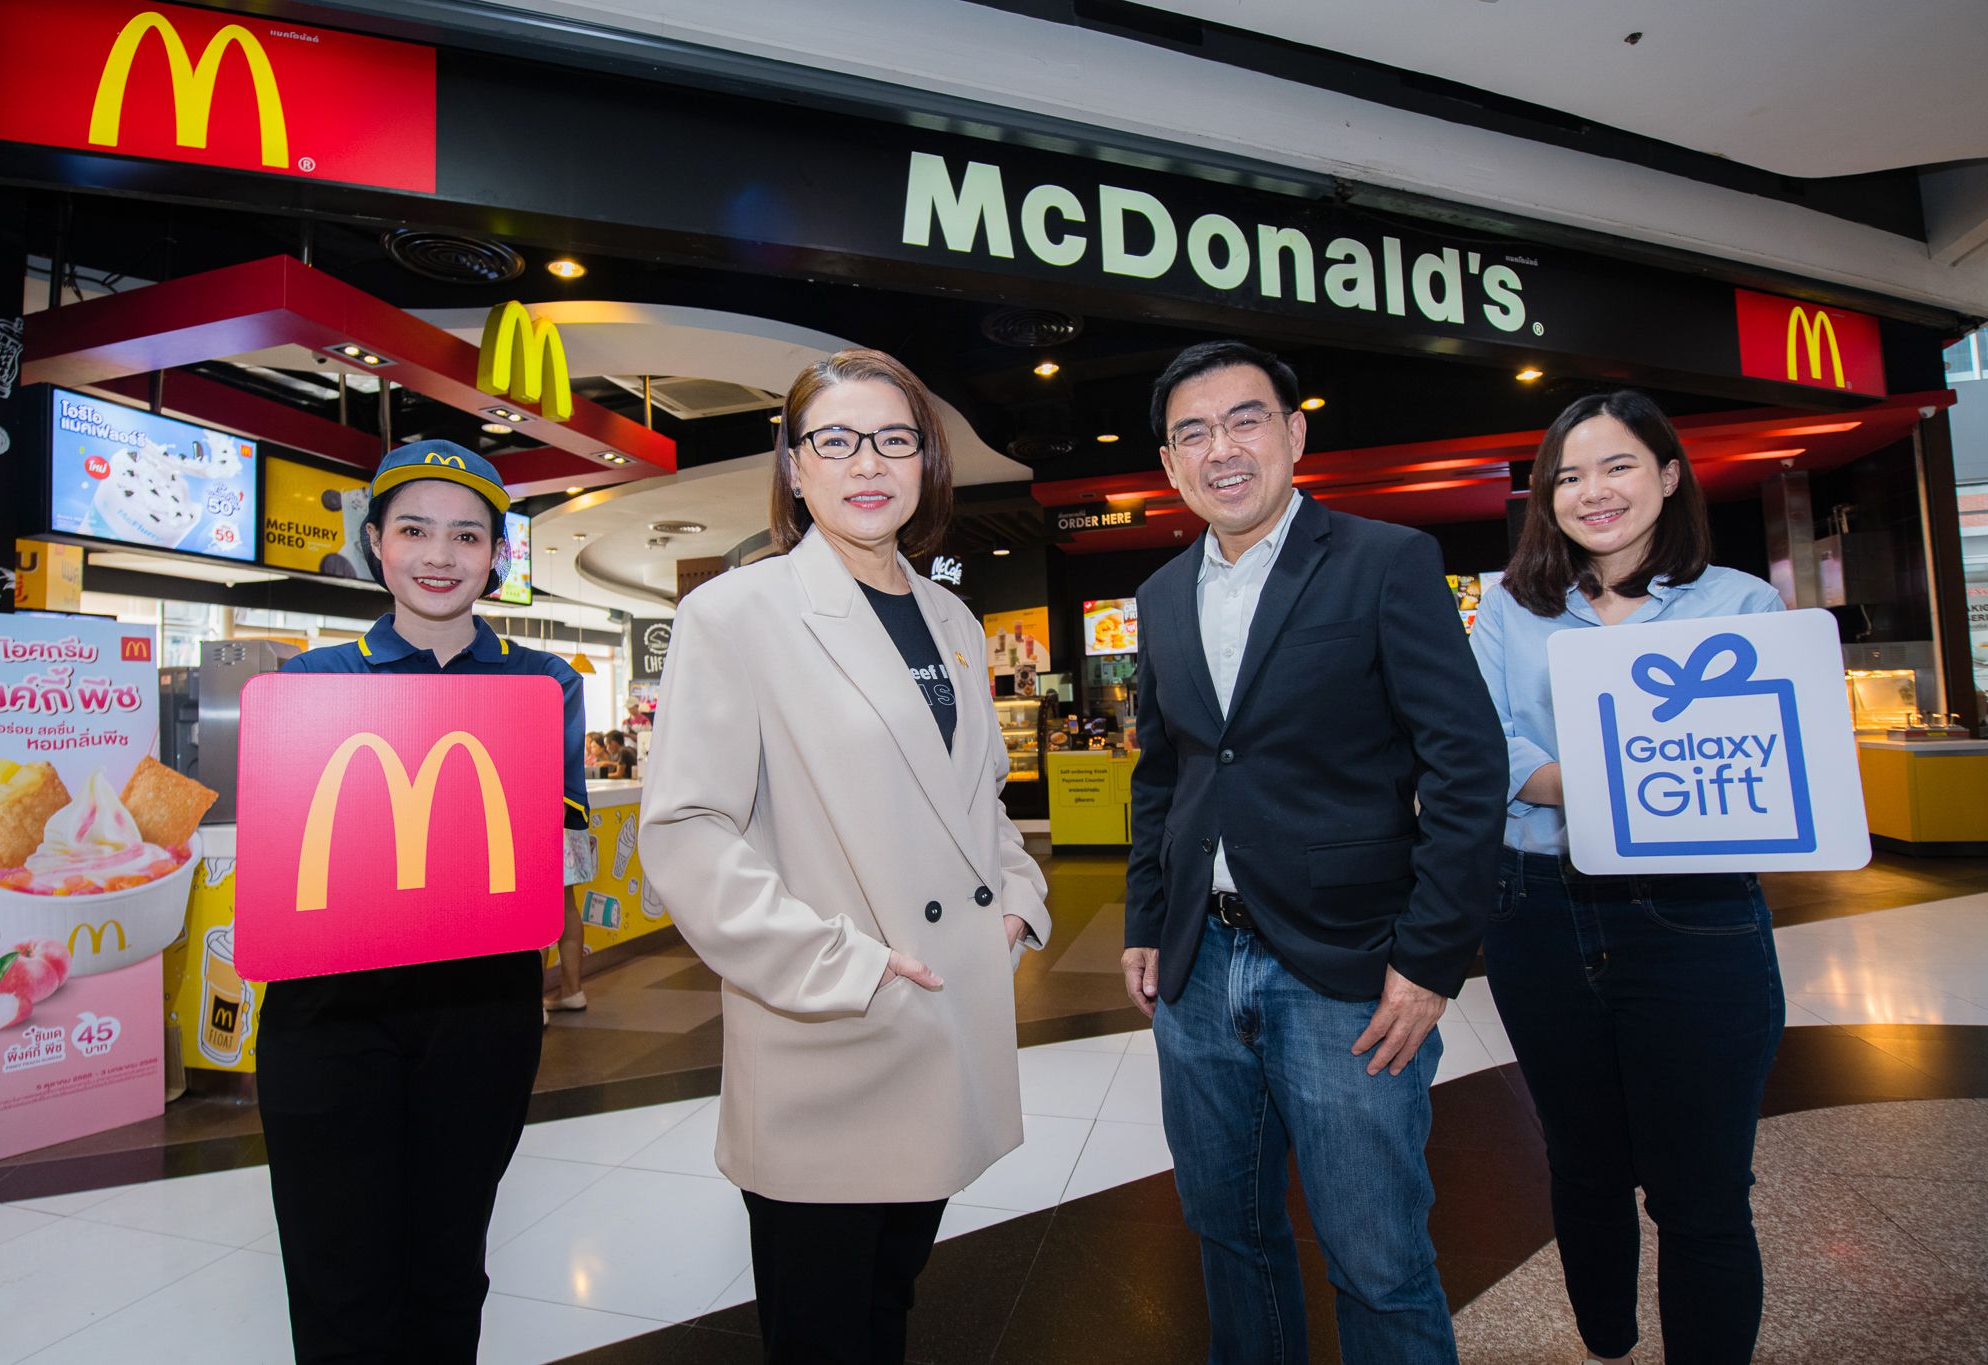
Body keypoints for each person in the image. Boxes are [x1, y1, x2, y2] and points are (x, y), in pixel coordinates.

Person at [640, 348, 1050, 1363]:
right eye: (835, 440)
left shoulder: (952, 617)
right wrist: (845, 964)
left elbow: (979, 796)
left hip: (941, 1020)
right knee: (821, 1328)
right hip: (829, 1023)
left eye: (894, 439)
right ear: (794, 466)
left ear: (926, 463)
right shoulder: (735, 614)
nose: (867, 462)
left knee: (887, 1305)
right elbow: (688, 831)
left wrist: (1017, 894)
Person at [1121, 340, 1506, 1365]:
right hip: (1198, 967)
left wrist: (1430, 959)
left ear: (1293, 434)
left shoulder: (1386, 561)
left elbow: (1467, 765)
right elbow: (1163, 774)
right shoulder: (1158, 594)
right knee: (1226, 1233)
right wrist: (1144, 920)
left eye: (1244, 419)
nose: (1221, 448)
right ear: (1169, 464)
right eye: (1193, 433)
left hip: (1348, 971)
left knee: (1378, 1260)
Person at [1469, 392, 1786, 1365]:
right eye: (1566, 476)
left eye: (1615, 467)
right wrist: (1633, 774)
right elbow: (1483, 746)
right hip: (1536, 907)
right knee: (1582, 1161)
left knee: (1703, 1192)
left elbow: (1764, 757)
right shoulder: (1508, 607)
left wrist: (1592, 775)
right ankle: (1605, 1341)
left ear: (1668, 475)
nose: (1591, 492)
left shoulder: (1742, 606)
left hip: (1695, 913)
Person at [256, 441, 589, 1364]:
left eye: (467, 535)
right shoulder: (310, 681)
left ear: (497, 555)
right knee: (339, 1273)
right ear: (375, 543)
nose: (440, 555)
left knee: (448, 1262)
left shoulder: (545, 681)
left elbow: (562, 839)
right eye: (414, 530)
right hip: (328, 1005)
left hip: (479, 1002)